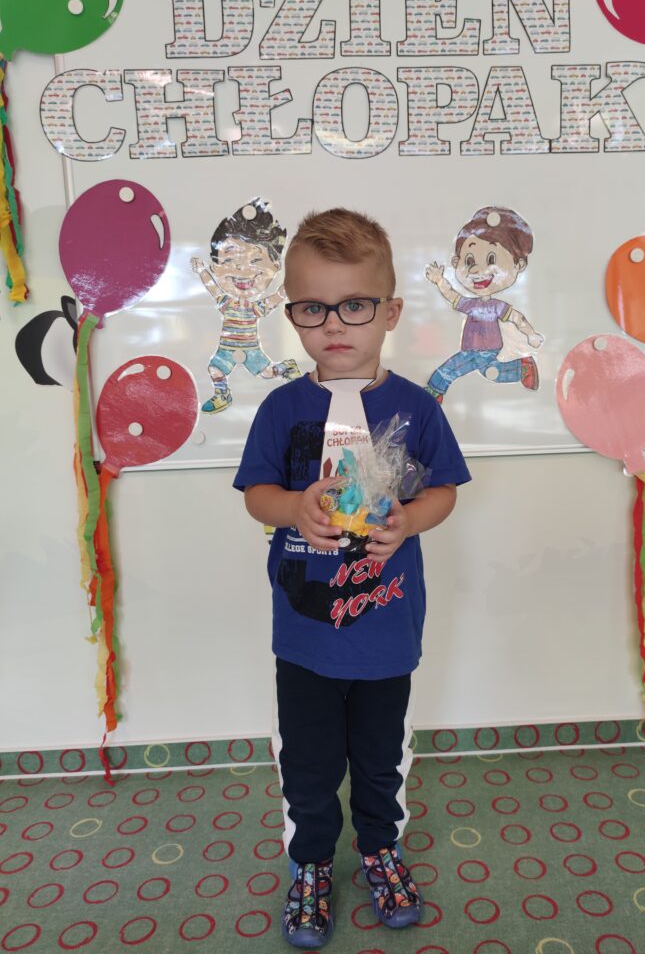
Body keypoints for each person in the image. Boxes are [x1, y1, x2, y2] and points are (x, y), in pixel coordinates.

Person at [234, 209, 470, 949]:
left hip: (385, 630)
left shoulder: (417, 408)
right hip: (304, 635)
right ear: (292, 316)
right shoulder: (282, 408)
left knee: (378, 759)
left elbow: (445, 492)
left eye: (355, 305)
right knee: (307, 764)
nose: (334, 324)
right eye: (313, 308)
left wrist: (410, 520)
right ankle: (309, 863)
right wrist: (294, 508)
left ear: (390, 312)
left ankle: (379, 849)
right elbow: (256, 495)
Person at [191, 197, 300, 413]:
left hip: (251, 349)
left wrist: (288, 286)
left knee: (266, 373)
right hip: (226, 349)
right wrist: (202, 270)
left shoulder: (254, 308)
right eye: (230, 261)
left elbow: (274, 298)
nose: (242, 271)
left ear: (275, 266)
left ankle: (286, 367)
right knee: (214, 369)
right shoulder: (225, 303)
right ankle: (223, 395)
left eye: (256, 261)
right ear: (216, 266)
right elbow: (213, 289)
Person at [425, 205, 543, 402]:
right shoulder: (470, 305)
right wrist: (439, 281)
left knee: (453, 368)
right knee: (491, 372)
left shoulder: (496, 306)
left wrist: (531, 334)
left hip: (481, 349)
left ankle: (434, 391)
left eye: (491, 259)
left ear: (518, 265)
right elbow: (452, 295)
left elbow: (516, 318)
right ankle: (522, 369)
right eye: (469, 261)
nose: (476, 270)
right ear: (456, 262)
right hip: (478, 349)